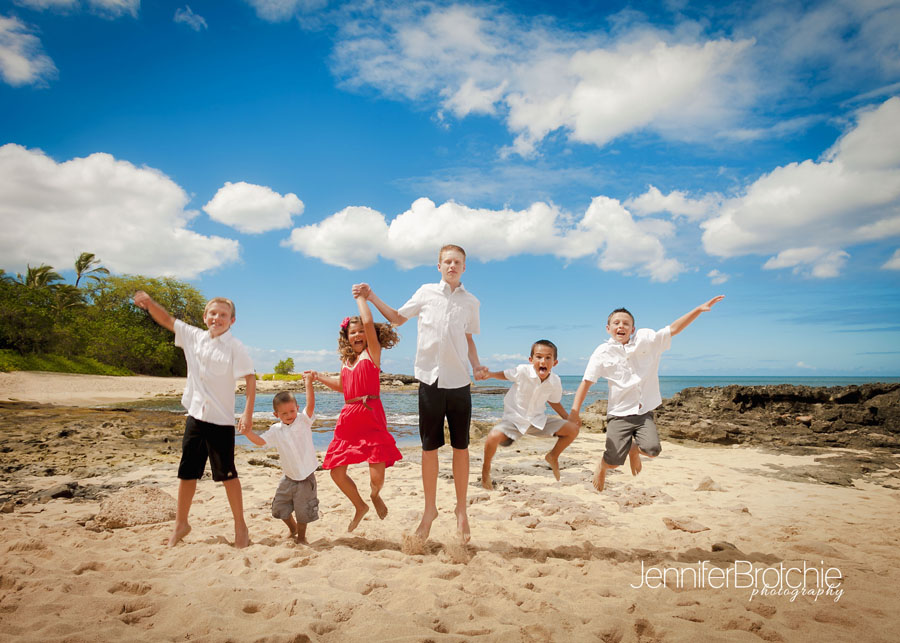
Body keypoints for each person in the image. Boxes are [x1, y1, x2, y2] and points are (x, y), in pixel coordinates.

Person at [356, 244, 486, 543]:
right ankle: (429, 511)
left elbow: (468, 339)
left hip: (459, 382)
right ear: (439, 266)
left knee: (461, 448)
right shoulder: (426, 292)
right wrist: (372, 296)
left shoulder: (471, 302)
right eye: (447, 261)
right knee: (429, 448)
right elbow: (397, 318)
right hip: (430, 380)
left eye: (457, 262)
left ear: (464, 268)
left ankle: (461, 511)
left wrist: (476, 365)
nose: (452, 266)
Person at [132, 291, 255, 548]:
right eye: (213, 313)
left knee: (228, 475)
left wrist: (247, 414)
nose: (217, 318)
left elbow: (250, 380)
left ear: (232, 320)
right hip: (196, 416)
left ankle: (240, 527)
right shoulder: (194, 337)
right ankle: (181, 524)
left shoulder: (236, 347)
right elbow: (167, 320)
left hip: (221, 421)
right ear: (205, 316)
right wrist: (149, 304)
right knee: (187, 473)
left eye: (223, 315)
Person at [569, 296, 725, 492]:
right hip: (618, 414)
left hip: (643, 413)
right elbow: (586, 382)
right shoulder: (602, 352)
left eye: (626, 323)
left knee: (652, 450)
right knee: (614, 462)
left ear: (632, 329)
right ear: (608, 328)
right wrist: (574, 413)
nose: (621, 326)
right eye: (616, 323)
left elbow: (673, 329)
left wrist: (698, 310)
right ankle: (602, 465)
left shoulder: (647, 341)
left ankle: (634, 449)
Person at [309, 293, 402, 532]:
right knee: (336, 472)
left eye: (361, 331)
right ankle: (360, 506)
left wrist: (361, 298)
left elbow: (369, 322)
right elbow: (343, 386)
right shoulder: (346, 361)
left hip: (370, 413)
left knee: (375, 472)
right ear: (347, 337)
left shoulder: (372, 353)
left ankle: (374, 495)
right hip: (348, 418)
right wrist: (318, 376)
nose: (358, 335)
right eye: (353, 332)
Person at [477, 339, 579, 490]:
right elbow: (505, 375)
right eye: (539, 357)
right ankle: (486, 470)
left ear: (555, 362)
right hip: (514, 421)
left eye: (548, 358)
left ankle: (553, 456)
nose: (543, 361)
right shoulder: (522, 371)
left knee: (572, 429)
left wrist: (567, 417)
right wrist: (490, 374)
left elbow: (554, 401)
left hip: (537, 421)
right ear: (531, 360)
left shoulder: (555, 381)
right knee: (493, 436)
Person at [239, 381, 318, 544]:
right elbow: (261, 442)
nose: (289, 415)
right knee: (279, 507)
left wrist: (308, 382)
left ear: (297, 407)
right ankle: (293, 528)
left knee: (303, 511)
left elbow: (310, 404)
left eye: (292, 411)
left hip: (306, 477)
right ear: (276, 415)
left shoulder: (303, 421)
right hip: (288, 477)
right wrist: (247, 433)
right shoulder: (276, 430)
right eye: (284, 413)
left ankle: (301, 537)